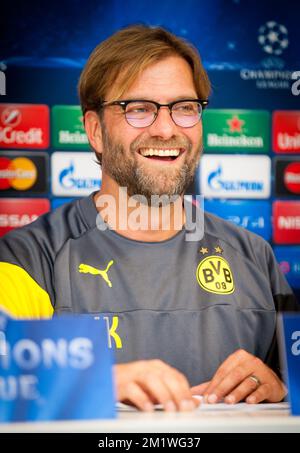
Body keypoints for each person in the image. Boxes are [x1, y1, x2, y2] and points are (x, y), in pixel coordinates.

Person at [0, 25, 298, 413]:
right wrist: (94, 381)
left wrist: (283, 385)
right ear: (95, 131)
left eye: (184, 108)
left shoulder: (255, 256)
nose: (166, 128)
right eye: (138, 109)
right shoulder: (27, 259)